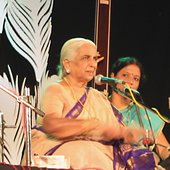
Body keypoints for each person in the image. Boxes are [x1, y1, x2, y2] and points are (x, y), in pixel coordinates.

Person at [22, 38, 158, 169]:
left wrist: (127, 133)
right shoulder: (56, 89)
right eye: (85, 58)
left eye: (94, 58)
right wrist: (90, 125)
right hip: (57, 147)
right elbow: (51, 124)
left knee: (142, 157)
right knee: (88, 152)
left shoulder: (98, 96)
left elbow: (114, 130)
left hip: (95, 149)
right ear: (67, 64)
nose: (93, 64)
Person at [109, 56, 170, 168]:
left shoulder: (145, 115)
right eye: (125, 75)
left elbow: (165, 151)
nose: (130, 82)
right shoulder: (100, 105)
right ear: (112, 77)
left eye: (136, 78)